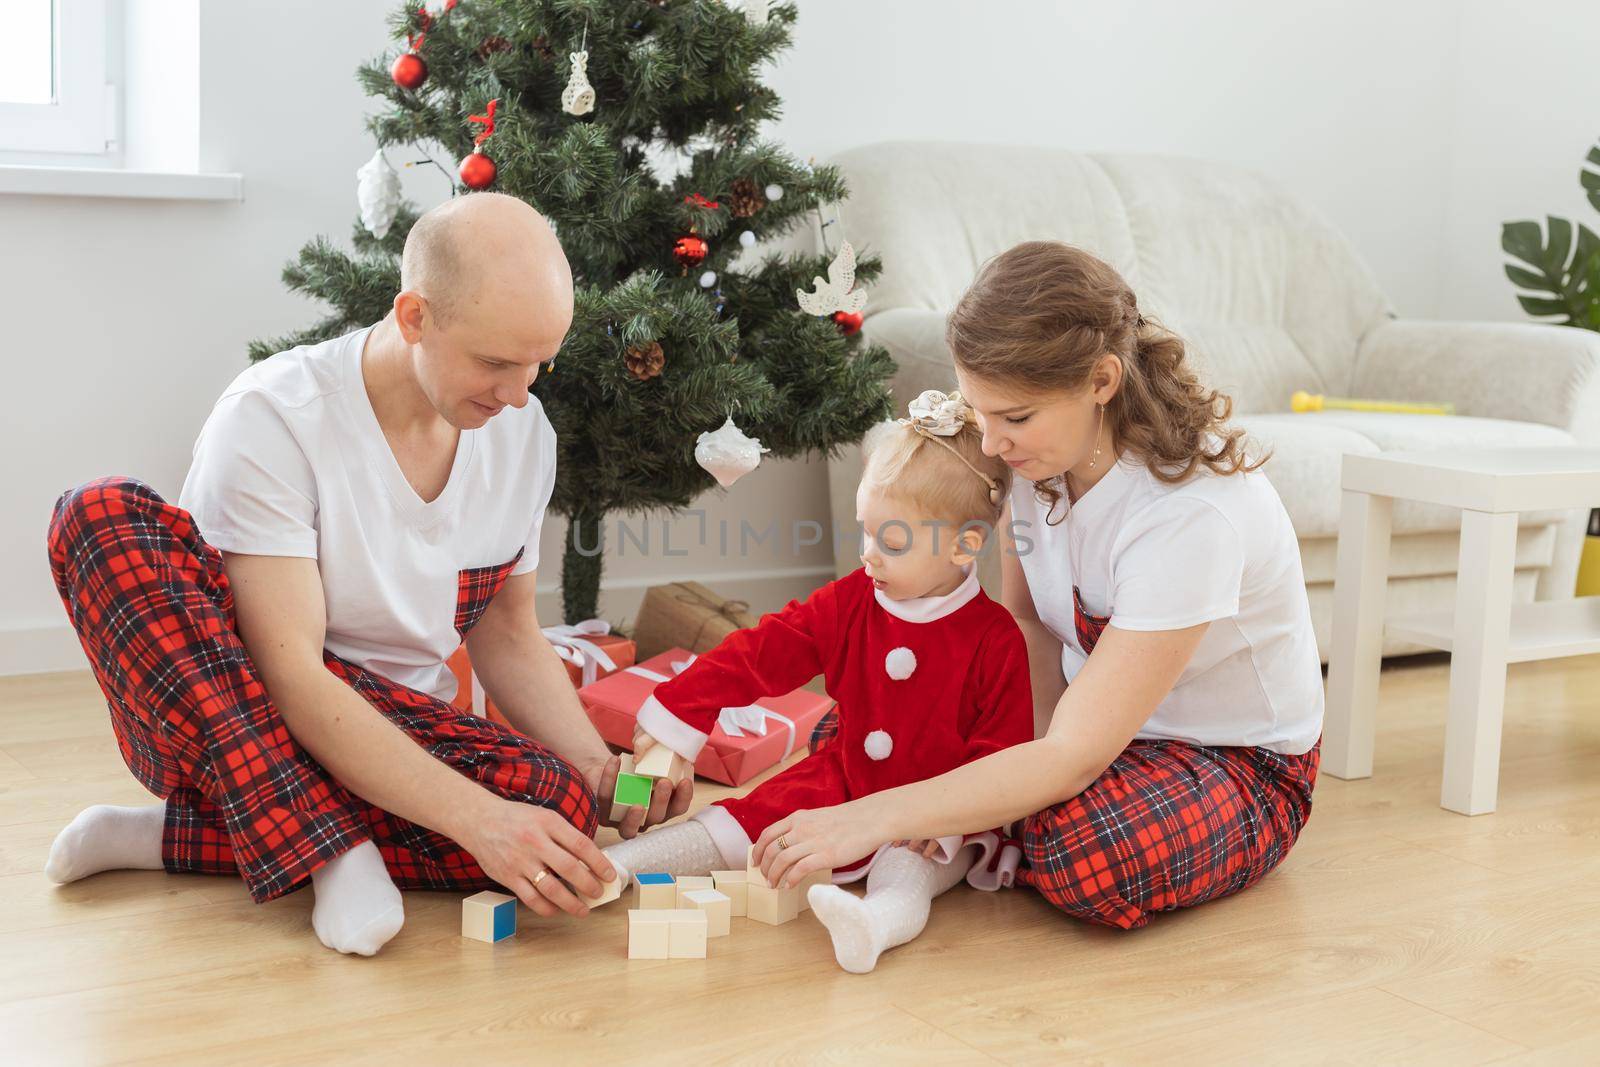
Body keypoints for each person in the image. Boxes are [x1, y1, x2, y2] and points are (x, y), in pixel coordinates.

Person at [42, 193, 689, 956]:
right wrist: (476, 820)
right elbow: (288, 675)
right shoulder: (275, 415)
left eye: (538, 364)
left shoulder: (520, 431)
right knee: (98, 515)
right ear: (415, 316)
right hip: (231, 714)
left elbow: (508, 630)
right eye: (496, 362)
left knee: (553, 805)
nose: (520, 394)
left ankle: (171, 838)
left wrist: (592, 765)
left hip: (398, 728)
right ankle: (329, 851)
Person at [753, 240, 1324, 932]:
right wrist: (990, 756)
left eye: (1015, 417)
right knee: (865, 730)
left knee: (1080, 848)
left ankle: (966, 836)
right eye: (979, 409)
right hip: (1091, 724)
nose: (990, 444)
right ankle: (965, 831)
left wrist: (878, 812)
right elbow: (1027, 628)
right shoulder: (1034, 466)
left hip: (1231, 761)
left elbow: (1072, 757)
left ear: (1102, 381)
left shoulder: (1191, 515)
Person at [601, 391, 1033, 972]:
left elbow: (1001, 752)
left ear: (965, 546)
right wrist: (682, 715)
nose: (869, 555)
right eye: (865, 531)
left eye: (892, 541)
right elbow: (761, 652)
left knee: (907, 869)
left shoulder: (995, 637)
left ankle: (874, 925)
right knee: (745, 817)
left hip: (937, 809)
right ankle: (620, 865)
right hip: (844, 774)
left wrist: (956, 825)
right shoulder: (852, 599)